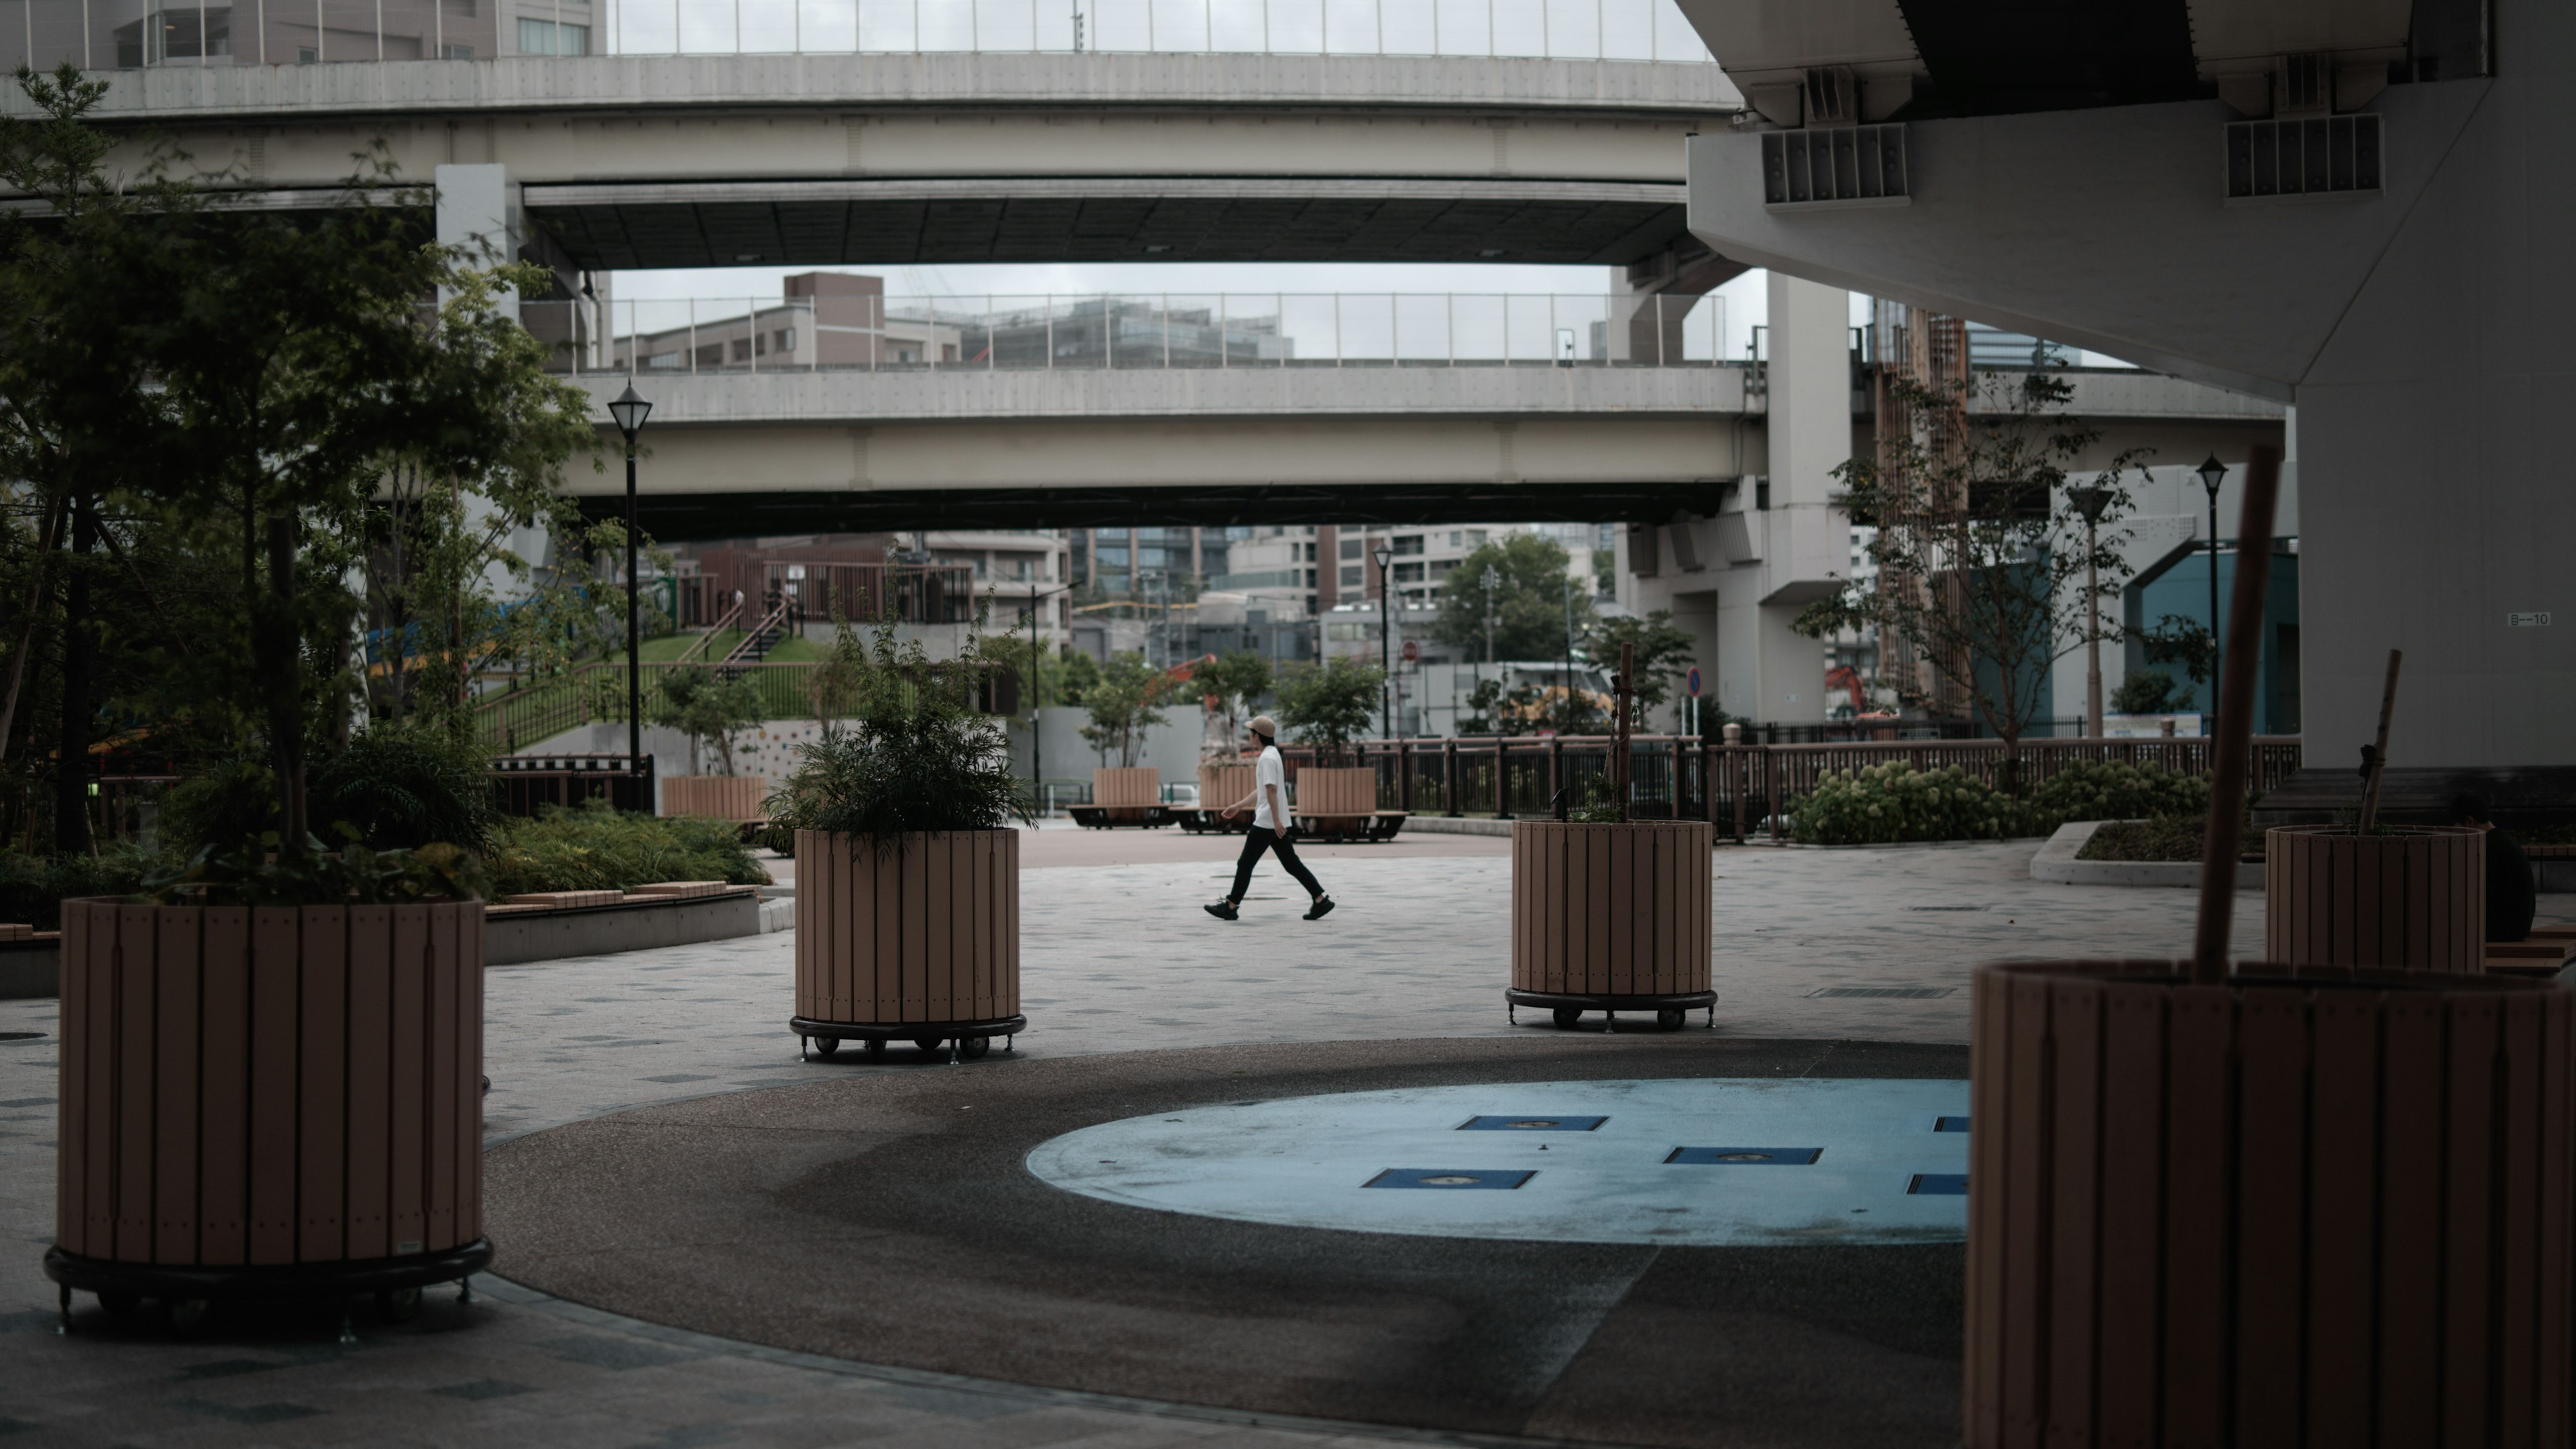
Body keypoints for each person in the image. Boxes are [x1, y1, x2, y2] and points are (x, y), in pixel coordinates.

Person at [1205, 716, 1334, 922]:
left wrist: (1275, 822)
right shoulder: (1273, 754)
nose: (1249, 735)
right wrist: (1239, 806)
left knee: (1245, 863)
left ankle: (1230, 906)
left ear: (1257, 736)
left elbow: (1271, 790)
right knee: (1291, 863)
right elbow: (1264, 790)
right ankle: (1320, 900)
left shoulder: (1266, 758)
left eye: (1251, 732)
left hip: (1267, 821)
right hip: (1275, 820)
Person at [2453, 792, 2536, 943]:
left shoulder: (2488, 848)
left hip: (2505, 929)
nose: (2457, 838)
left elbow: (2483, 896)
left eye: (2457, 831)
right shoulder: (2502, 840)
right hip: (2517, 926)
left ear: (2470, 821)